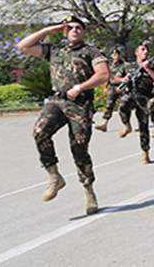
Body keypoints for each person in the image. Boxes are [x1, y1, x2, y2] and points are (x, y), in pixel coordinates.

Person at [17, 16, 110, 215]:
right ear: (65, 31)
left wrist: (80, 87)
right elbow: (23, 46)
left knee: (79, 148)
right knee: (39, 132)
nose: (74, 30)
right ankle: (54, 177)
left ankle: (88, 190)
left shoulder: (91, 51)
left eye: (78, 27)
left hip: (80, 104)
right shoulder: (54, 50)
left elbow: (103, 75)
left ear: (84, 32)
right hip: (56, 101)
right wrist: (49, 30)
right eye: (70, 27)